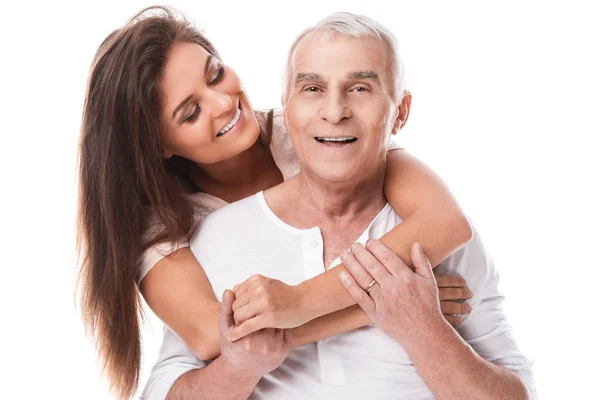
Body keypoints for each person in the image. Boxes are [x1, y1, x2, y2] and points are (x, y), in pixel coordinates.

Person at [77, 6, 474, 399]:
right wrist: (384, 306)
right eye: (192, 112)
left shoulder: (311, 128)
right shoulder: (161, 224)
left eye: (215, 74)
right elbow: (209, 336)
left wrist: (301, 302)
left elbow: (445, 224)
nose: (222, 103)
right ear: (159, 146)